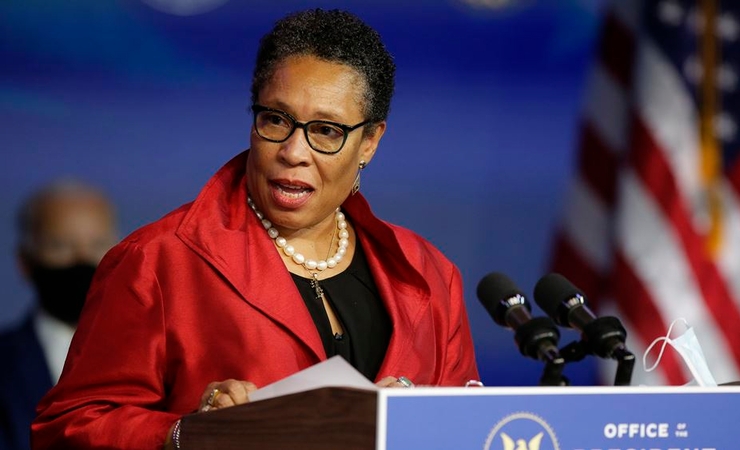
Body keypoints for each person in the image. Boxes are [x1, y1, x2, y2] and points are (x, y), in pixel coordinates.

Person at [31, 8, 480, 449]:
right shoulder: (158, 261)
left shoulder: (430, 275)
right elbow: (66, 430)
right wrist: (187, 434)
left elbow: (471, 432)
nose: (293, 151)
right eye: (276, 120)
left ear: (370, 141)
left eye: (325, 131)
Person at [0, 180, 118, 450]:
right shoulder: (5, 364)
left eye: (98, 244)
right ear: (25, 260)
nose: (82, 259)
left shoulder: (160, 356)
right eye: (60, 245)